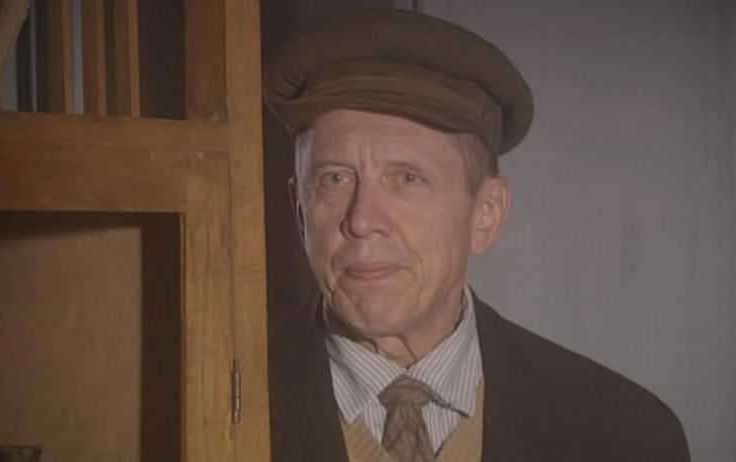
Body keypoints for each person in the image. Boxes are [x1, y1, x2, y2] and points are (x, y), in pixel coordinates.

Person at [263, 9, 689, 462]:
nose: (363, 220)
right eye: (334, 179)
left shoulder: (625, 434)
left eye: (407, 179)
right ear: (300, 212)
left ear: (486, 215)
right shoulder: (216, 405)